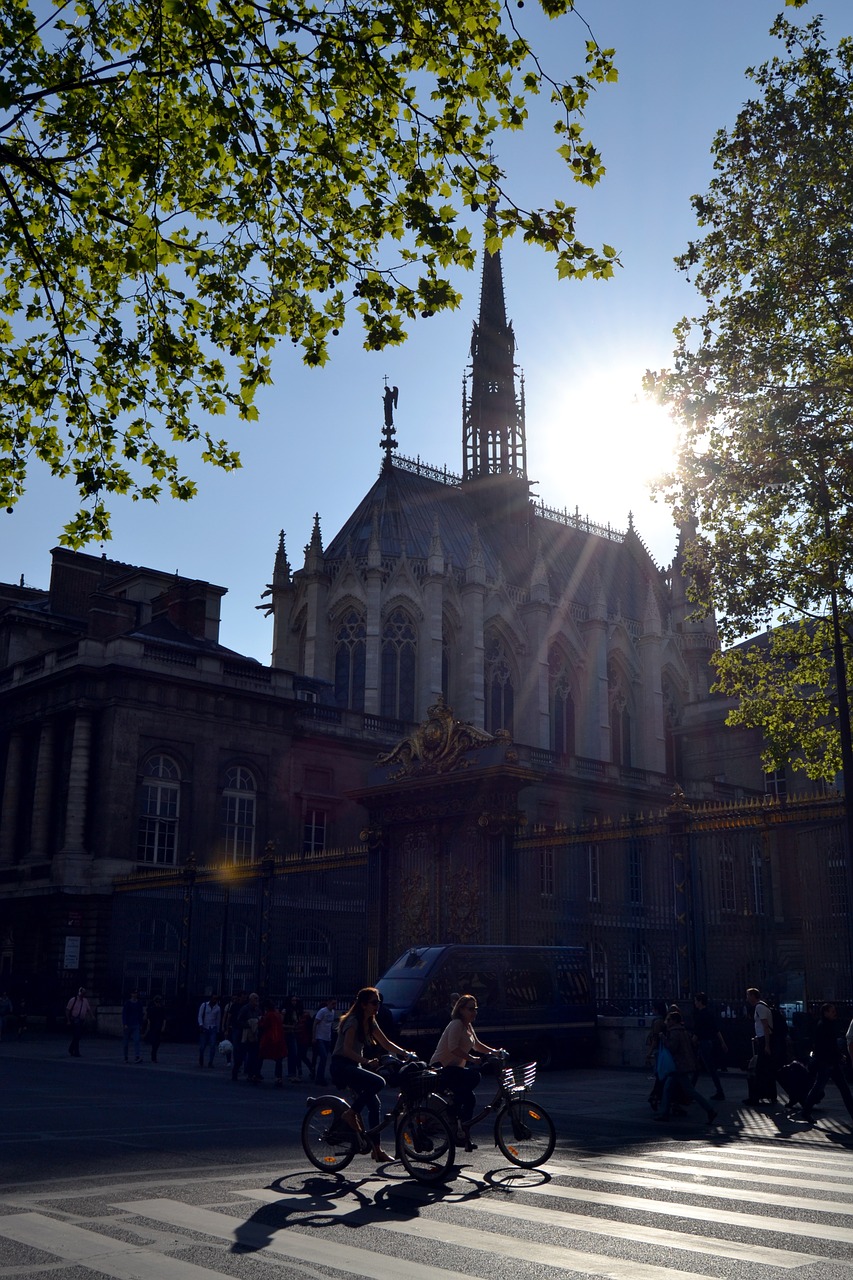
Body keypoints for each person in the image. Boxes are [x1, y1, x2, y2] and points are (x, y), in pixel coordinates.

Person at [330, 985, 410, 1161]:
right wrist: (366, 1061)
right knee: (378, 1082)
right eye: (374, 1002)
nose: (377, 1006)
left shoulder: (370, 1021)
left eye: (379, 1002)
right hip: (342, 1065)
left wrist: (406, 1053)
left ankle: (377, 1150)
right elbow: (346, 1050)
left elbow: (385, 1042)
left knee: (375, 1104)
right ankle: (350, 1114)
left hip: (353, 1066)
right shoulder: (353, 1021)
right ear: (364, 1004)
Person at [430, 993, 502, 1146]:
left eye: (475, 1009)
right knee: (474, 1076)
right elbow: (453, 1048)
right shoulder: (456, 1024)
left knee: (470, 1099)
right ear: (461, 1010)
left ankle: (462, 1134)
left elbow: (477, 1045)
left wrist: (495, 1052)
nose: (474, 1012)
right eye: (470, 1009)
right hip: (442, 1068)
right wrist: (472, 1059)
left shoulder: (467, 1025)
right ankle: (453, 1108)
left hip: (455, 1069)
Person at [655, 1010, 717, 1124]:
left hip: (678, 1066)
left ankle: (710, 1110)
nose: (667, 1022)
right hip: (685, 1064)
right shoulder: (684, 1031)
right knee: (673, 1089)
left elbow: (672, 1047)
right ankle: (664, 1113)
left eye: (669, 1020)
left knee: (684, 1090)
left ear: (674, 1021)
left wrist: (663, 1038)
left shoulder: (674, 1032)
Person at [798, 1003, 853, 1124]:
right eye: (832, 1011)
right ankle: (806, 1110)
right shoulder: (825, 1026)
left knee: (827, 1087)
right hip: (827, 1062)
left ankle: (806, 1111)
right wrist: (839, 1056)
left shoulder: (823, 1025)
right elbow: (829, 1046)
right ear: (826, 1012)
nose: (835, 1013)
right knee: (831, 1088)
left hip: (829, 1062)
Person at [691, 992, 727, 1101]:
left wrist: (692, 1043)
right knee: (702, 1068)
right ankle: (690, 1090)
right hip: (709, 1042)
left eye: (696, 1000)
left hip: (703, 1043)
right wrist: (723, 1042)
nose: (695, 1003)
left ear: (700, 1002)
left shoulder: (699, 1015)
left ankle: (719, 1091)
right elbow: (716, 1030)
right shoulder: (709, 1014)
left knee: (706, 1069)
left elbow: (697, 1032)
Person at [745, 987, 777, 1106]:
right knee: (767, 1068)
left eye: (748, 995)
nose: (747, 998)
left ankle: (755, 1096)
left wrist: (766, 1045)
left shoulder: (759, 1007)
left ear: (753, 996)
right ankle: (770, 1094)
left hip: (765, 1040)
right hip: (764, 1039)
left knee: (760, 1068)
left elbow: (765, 1026)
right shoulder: (764, 1006)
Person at [259, 998, 287, 1086]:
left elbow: (264, 1025)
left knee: (260, 1056)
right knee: (279, 1059)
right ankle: (278, 1077)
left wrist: (260, 1021)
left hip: (269, 1038)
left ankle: (256, 1073)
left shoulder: (269, 1015)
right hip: (279, 1038)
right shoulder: (277, 1014)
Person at [237, 992, 262, 1083]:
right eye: (255, 999)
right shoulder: (245, 1009)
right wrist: (248, 1024)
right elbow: (239, 1020)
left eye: (257, 999)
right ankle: (236, 1070)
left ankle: (252, 1074)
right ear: (250, 999)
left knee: (254, 1055)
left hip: (254, 1035)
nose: (257, 1000)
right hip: (246, 1034)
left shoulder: (258, 1010)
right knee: (242, 1055)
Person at [312, 996, 337, 1086]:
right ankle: (319, 1077)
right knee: (323, 1057)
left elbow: (330, 1025)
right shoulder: (322, 1011)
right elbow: (315, 1023)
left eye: (335, 1004)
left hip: (327, 1038)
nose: (334, 1005)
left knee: (325, 1058)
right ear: (328, 1003)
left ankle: (320, 1076)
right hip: (320, 1037)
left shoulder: (332, 1012)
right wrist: (314, 1037)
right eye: (332, 1003)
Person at [65, 987, 92, 1057]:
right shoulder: (73, 1000)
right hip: (75, 1019)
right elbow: (67, 1010)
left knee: (78, 1036)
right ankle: (76, 1051)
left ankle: (71, 1048)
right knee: (76, 1035)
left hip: (81, 1020)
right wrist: (68, 1020)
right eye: (82, 993)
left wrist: (91, 1016)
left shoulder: (85, 1001)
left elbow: (88, 1009)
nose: (83, 995)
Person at [197, 994, 221, 1068]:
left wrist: (218, 1029)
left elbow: (218, 1019)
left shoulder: (218, 1008)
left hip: (212, 1027)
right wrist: (200, 1024)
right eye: (214, 998)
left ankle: (211, 1062)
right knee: (202, 1046)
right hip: (204, 1027)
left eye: (216, 999)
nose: (215, 1000)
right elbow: (200, 1015)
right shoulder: (204, 1005)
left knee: (213, 1046)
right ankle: (201, 1057)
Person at [122, 989, 145, 1063]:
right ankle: (126, 1057)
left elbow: (141, 1014)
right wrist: (125, 1023)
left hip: (136, 1024)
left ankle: (137, 1056)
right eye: (133, 993)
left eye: (136, 993)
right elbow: (124, 1013)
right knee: (126, 1043)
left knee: (137, 1040)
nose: (135, 995)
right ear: (131, 994)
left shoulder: (139, 1003)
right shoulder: (127, 1003)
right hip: (128, 1024)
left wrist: (141, 1024)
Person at [144, 994, 166, 1063]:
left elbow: (164, 1019)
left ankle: (154, 1055)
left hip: (158, 1026)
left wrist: (163, 1026)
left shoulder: (161, 1009)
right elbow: (148, 1018)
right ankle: (154, 1056)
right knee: (154, 1041)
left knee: (157, 1042)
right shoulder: (152, 1009)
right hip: (153, 1026)